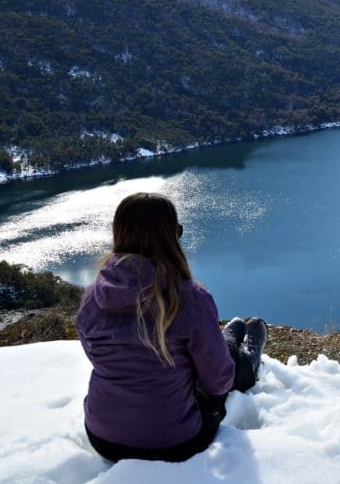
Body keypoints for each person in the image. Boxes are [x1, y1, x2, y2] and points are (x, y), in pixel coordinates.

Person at [75, 192, 268, 463]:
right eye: (177, 230)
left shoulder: (93, 296)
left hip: (103, 437)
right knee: (227, 365)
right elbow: (219, 380)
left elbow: (98, 354)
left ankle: (231, 339)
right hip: (174, 441)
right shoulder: (187, 298)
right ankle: (246, 351)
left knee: (202, 354)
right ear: (169, 237)